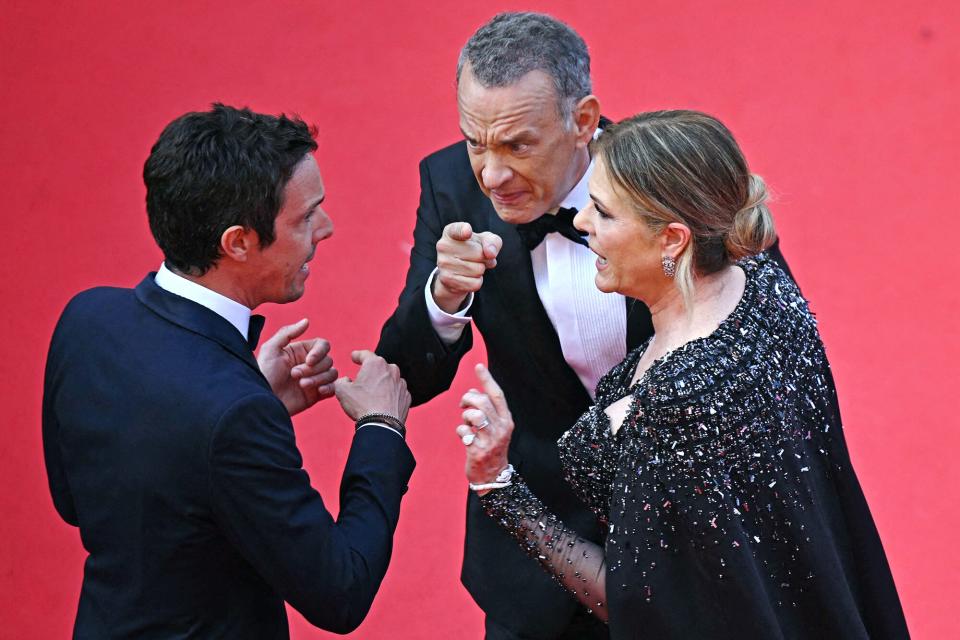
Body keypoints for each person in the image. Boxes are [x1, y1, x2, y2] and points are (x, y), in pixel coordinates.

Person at [377, 12, 793, 639]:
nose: (491, 174)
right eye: (475, 142)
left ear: (583, 120)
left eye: (518, 145)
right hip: (536, 559)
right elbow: (405, 370)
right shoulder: (449, 186)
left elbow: (770, 352)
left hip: (693, 550)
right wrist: (445, 293)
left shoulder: (674, 177)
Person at [456, 110, 909, 639]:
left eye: (602, 212)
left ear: (672, 239)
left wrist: (497, 484)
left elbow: (633, 602)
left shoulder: (669, 410)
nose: (581, 223)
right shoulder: (765, 283)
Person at [42, 104, 415, 638]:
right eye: (306, 217)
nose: (326, 229)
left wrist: (249, 391)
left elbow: (76, 502)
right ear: (237, 242)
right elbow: (341, 590)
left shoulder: (87, 317)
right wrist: (381, 428)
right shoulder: (234, 415)